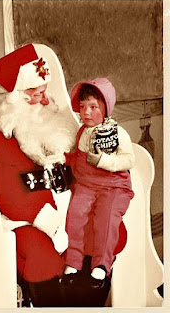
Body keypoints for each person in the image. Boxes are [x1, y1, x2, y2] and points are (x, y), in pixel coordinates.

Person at [0, 44, 79, 307]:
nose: (41, 99)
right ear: (12, 96)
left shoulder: (49, 126)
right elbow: (11, 197)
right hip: (23, 220)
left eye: (43, 92)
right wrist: (54, 225)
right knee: (42, 254)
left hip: (64, 206)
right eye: (32, 93)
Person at [63, 78, 135, 289]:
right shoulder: (82, 132)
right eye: (83, 107)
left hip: (113, 185)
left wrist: (105, 161)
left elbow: (129, 159)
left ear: (105, 108)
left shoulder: (116, 133)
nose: (86, 112)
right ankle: (73, 261)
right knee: (75, 213)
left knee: (106, 216)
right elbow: (76, 156)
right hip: (86, 183)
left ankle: (102, 264)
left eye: (93, 107)